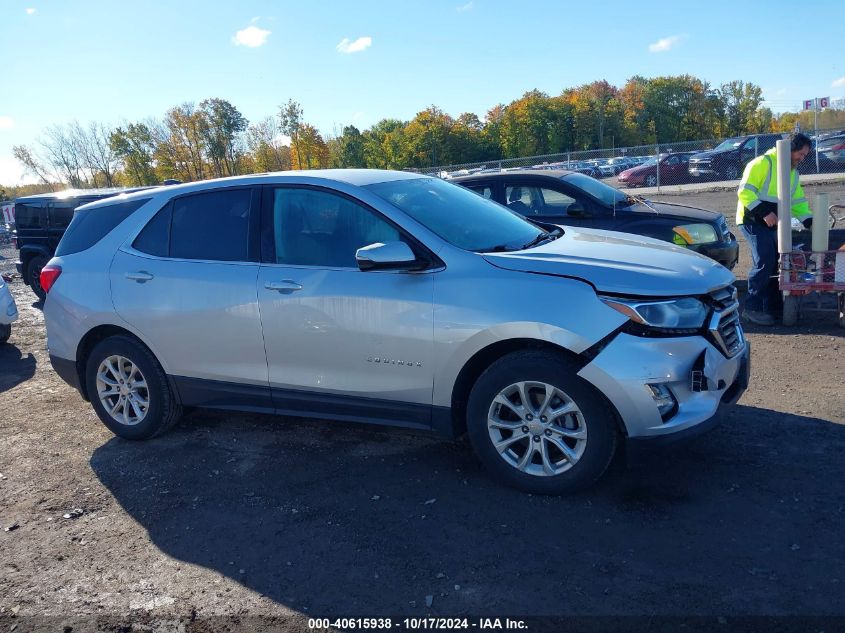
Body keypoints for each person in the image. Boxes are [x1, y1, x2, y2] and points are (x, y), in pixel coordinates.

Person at [736, 133, 813, 326]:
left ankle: (773, 308)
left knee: (775, 263)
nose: (802, 159)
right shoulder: (762, 163)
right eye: (800, 154)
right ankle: (751, 308)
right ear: (790, 149)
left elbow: (797, 202)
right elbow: (745, 191)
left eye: (805, 156)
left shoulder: (793, 173)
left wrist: (809, 221)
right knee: (764, 261)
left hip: (772, 223)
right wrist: (763, 212)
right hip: (752, 221)